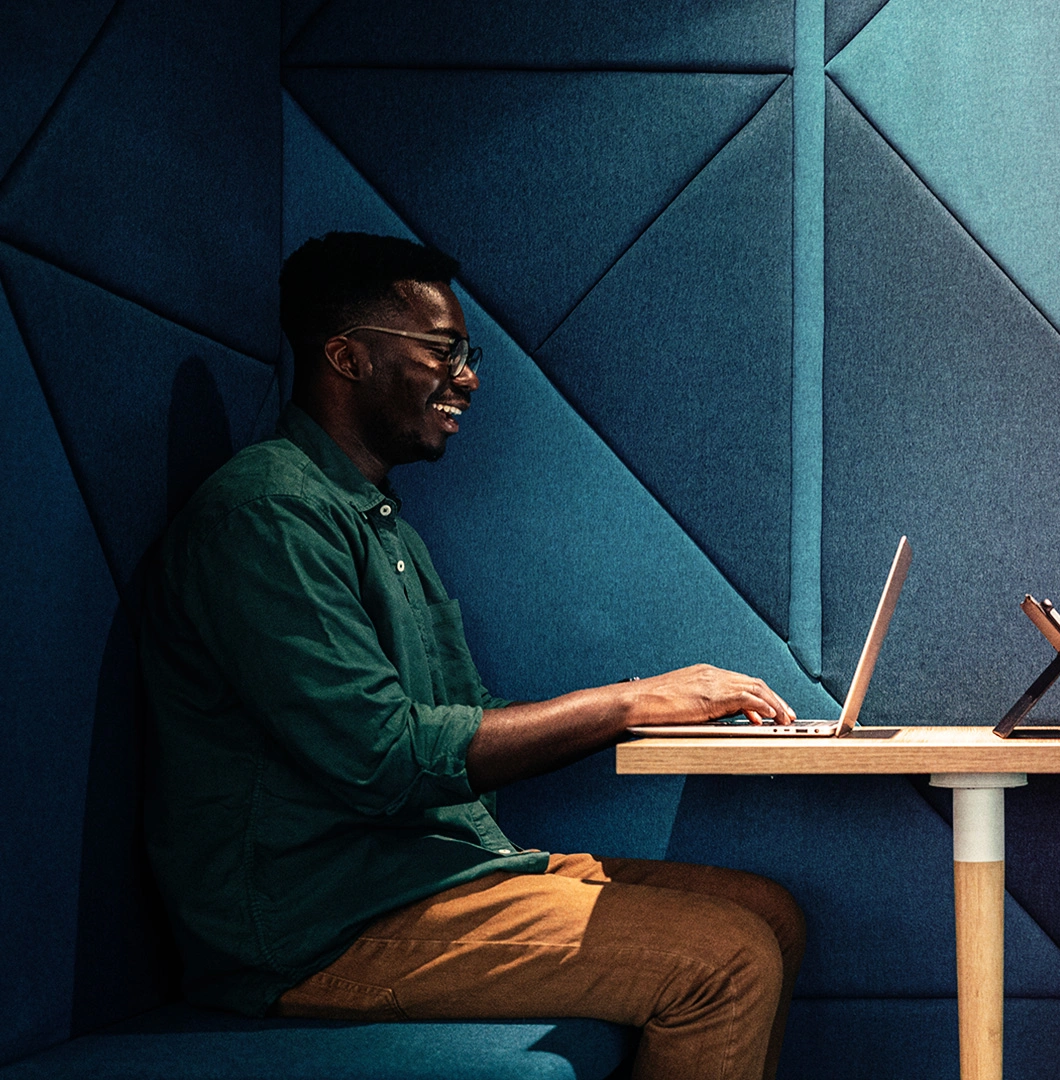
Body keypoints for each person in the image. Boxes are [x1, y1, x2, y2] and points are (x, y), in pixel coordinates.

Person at [142, 232, 805, 1080]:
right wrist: (631, 705)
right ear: (346, 356)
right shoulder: (267, 514)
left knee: (770, 913)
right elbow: (384, 758)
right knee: (728, 959)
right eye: (444, 351)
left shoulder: (377, 520)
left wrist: (658, 706)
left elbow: (464, 729)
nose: (470, 378)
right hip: (318, 922)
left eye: (467, 352)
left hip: (428, 871)